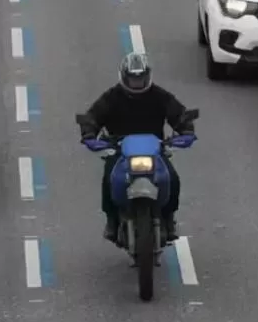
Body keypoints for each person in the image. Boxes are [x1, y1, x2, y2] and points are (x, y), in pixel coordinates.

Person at [78, 52, 195, 245]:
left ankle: (168, 218)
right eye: (133, 79)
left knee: (172, 178)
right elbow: (92, 117)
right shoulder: (112, 97)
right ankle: (112, 220)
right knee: (109, 179)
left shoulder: (159, 95)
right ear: (124, 77)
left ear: (147, 76)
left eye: (140, 78)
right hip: (119, 150)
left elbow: (179, 114)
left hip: (154, 149)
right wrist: (89, 135)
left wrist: (186, 131)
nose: (137, 82)